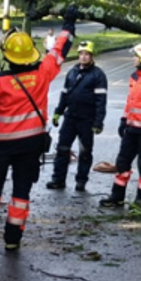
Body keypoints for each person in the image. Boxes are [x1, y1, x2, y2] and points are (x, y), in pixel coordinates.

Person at [0, 9, 77, 252]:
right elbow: (60, 51)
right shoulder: (42, 74)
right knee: (21, 192)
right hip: (31, 145)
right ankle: (13, 239)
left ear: (7, 56)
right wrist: (69, 24)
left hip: (1, 146)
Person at [100, 42, 141, 209]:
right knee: (122, 162)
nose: (133, 59)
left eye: (136, 56)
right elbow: (130, 101)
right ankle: (117, 197)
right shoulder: (134, 77)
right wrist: (123, 120)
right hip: (131, 129)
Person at [47, 40, 108, 192]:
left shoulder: (98, 75)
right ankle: (58, 179)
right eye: (81, 54)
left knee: (85, 152)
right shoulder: (72, 72)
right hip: (70, 117)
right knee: (62, 149)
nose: (83, 57)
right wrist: (58, 112)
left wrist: (98, 122)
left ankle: (81, 181)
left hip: (87, 119)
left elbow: (101, 101)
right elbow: (64, 94)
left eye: (87, 54)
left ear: (92, 56)